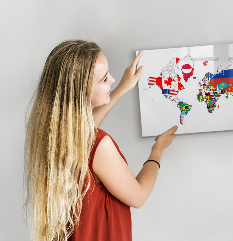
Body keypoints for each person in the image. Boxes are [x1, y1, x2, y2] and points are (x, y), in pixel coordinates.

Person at [24, 40, 177, 241]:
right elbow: (138, 196)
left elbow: (86, 131)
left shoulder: (53, 134)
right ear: (81, 92)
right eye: (105, 79)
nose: (112, 79)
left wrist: (122, 88)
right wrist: (157, 150)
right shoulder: (100, 145)